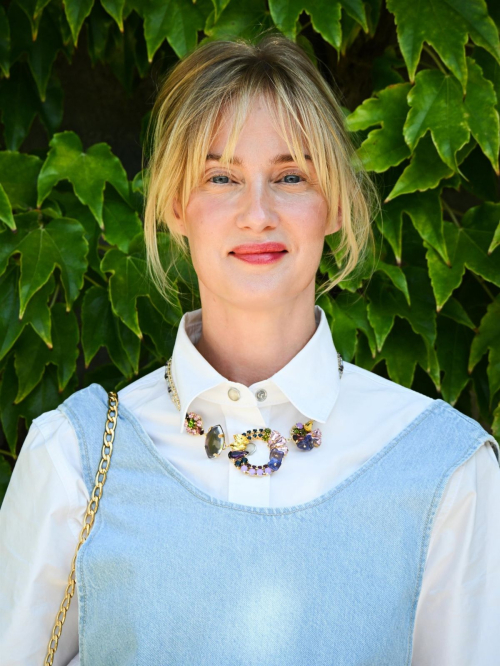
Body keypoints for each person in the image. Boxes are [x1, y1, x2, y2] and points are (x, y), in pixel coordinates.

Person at [1, 34, 499, 666]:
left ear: (336, 204)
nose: (257, 213)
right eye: (221, 177)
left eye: (291, 176)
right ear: (176, 205)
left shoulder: (444, 469)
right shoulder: (73, 461)